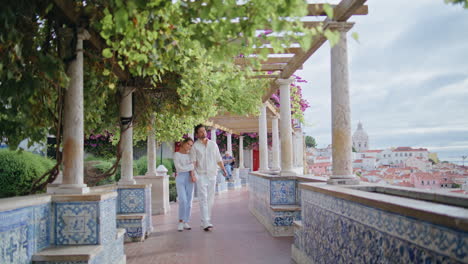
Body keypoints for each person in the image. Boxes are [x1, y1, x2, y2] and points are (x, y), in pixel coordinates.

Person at [191, 124, 227, 231]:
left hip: (212, 174)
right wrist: (193, 174)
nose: (204, 133)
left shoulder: (213, 144)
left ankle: (205, 220)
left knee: (210, 199)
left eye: (204, 131)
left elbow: (218, 158)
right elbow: (193, 162)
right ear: (197, 134)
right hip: (201, 174)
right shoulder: (195, 147)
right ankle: (206, 221)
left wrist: (224, 170)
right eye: (201, 132)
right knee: (203, 198)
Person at [173, 137, 196, 232]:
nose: (189, 147)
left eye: (191, 145)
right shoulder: (176, 155)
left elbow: (193, 167)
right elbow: (179, 168)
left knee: (189, 201)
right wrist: (191, 166)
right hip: (180, 178)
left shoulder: (190, 155)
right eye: (188, 144)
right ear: (183, 143)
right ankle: (180, 221)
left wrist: (192, 171)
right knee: (183, 200)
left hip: (190, 178)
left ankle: (186, 221)